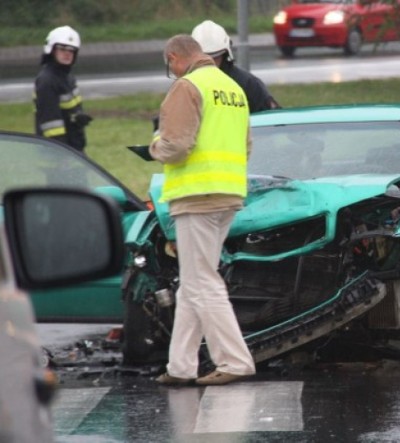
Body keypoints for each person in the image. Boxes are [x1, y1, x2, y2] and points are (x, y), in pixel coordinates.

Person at [150, 34, 255, 386]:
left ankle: (235, 361)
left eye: (170, 64)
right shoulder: (231, 89)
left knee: (202, 283)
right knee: (193, 283)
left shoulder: (187, 87)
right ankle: (181, 366)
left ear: (174, 56)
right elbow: (246, 146)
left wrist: (153, 147)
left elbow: (177, 145)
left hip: (197, 196)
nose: (172, 70)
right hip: (227, 193)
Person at [191, 20, 280, 113]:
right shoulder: (186, 85)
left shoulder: (247, 83)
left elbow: (273, 117)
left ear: (225, 55)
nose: (209, 62)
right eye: (203, 58)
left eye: (215, 57)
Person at [34, 26, 92, 153]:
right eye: (62, 49)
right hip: (56, 153)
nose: (67, 53)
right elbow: (51, 125)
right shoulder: (47, 81)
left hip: (72, 147)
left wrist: (76, 119)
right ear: (51, 49)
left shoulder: (66, 76)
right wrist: (64, 156)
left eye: (71, 50)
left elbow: (65, 111)